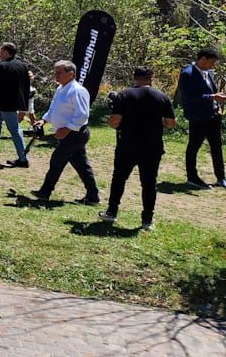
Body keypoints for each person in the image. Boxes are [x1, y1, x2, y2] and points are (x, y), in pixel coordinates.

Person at [100, 66, 176, 231]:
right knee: (149, 183)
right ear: (151, 78)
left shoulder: (124, 95)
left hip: (128, 145)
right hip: (152, 147)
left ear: (135, 78)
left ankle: (112, 212)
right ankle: (147, 220)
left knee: (119, 178)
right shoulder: (162, 97)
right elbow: (171, 124)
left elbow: (114, 122)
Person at [31, 60, 100, 204]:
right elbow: (53, 109)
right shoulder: (60, 88)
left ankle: (45, 192)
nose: (56, 75)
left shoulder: (77, 91)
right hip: (68, 134)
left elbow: (82, 115)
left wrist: (67, 128)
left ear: (71, 74)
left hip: (75, 134)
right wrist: (43, 120)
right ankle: (93, 196)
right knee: (81, 165)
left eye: (59, 73)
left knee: (57, 160)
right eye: (55, 72)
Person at [178, 48, 226, 189]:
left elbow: (211, 92)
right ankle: (192, 177)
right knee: (194, 146)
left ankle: (221, 177)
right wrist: (212, 97)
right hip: (198, 117)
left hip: (213, 116)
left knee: (216, 147)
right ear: (203, 59)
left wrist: (217, 100)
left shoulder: (207, 73)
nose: (213, 66)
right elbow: (189, 97)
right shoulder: (188, 74)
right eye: (211, 62)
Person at [0, 43, 32, 167]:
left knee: (14, 130)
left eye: (1, 50)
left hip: (5, 103)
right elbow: (26, 86)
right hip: (14, 102)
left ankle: (23, 159)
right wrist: (25, 105)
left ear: (6, 52)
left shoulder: (2, 66)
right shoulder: (22, 66)